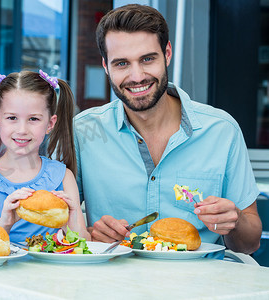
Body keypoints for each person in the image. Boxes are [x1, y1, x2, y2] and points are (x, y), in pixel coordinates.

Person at [73, 4, 262, 255]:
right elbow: (56, 224)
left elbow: (250, 243)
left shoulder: (222, 131)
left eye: (147, 59)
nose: (137, 76)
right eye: (121, 64)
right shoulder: (84, 131)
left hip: (200, 287)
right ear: (106, 66)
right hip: (113, 284)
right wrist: (87, 232)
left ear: (168, 53)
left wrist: (234, 220)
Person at [0, 70, 90, 243]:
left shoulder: (63, 176)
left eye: (33, 119)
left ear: (50, 123)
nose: (22, 130)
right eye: (12, 118)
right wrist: (5, 223)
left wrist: (69, 223)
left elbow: (83, 243)